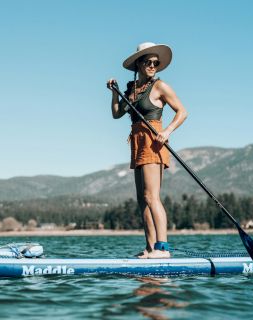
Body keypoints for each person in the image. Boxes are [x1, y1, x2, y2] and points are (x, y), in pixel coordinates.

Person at [106, 42, 188, 259]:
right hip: (137, 142)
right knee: (142, 198)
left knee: (152, 196)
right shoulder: (132, 90)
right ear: (138, 65)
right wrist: (114, 93)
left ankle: (163, 248)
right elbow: (116, 114)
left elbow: (182, 111)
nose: (153, 66)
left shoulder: (160, 87)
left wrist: (168, 130)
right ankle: (150, 247)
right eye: (148, 62)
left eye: (155, 63)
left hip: (154, 141)